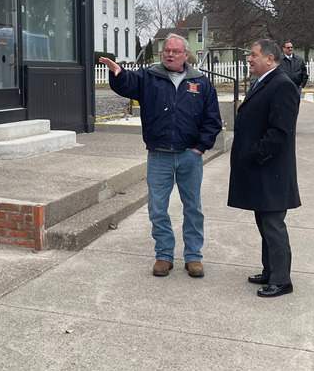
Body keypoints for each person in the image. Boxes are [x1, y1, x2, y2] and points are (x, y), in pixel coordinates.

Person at [100, 34, 222, 278]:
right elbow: (126, 84)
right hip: (159, 156)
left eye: (176, 51)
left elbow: (213, 119)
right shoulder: (149, 77)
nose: (170, 54)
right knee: (157, 208)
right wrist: (118, 73)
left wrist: (200, 147)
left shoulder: (201, 82)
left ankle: (194, 257)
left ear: (186, 55)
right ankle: (164, 255)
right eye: (167, 50)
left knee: (193, 208)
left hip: (190, 155)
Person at [228, 39, 300, 298]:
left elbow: (280, 132)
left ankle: (282, 280)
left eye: (253, 55)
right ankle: (270, 271)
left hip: (271, 170)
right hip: (261, 169)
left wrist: (254, 152)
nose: (249, 59)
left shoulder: (282, 85)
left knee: (273, 225)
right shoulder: (264, 82)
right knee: (263, 222)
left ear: (270, 59)